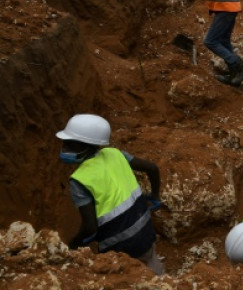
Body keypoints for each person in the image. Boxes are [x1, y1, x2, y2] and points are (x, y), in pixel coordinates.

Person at [56, 114, 164, 275]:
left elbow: (90, 226)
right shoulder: (115, 154)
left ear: (89, 145)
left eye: (70, 145)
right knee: (152, 264)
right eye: (65, 144)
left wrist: (74, 244)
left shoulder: (79, 181)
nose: (64, 149)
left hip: (120, 247)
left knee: (127, 281)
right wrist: (154, 196)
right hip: (145, 230)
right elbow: (152, 169)